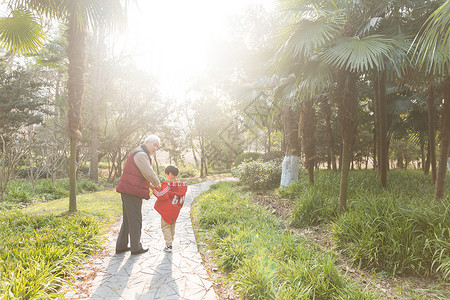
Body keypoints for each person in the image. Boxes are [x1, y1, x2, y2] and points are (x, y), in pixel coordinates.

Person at [115, 135, 161, 255]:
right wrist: (157, 184)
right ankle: (136, 247)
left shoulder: (138, 153)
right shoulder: (141, 154)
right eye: (154, 144)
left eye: (157, 146)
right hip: (131, 191)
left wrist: (150, 185)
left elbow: (140, 173)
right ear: (146, 142)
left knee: (127, 219)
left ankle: (121, 246)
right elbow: (148, 172)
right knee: (135, 219)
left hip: (128, 190)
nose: (155, 148)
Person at [152, 165, 188, 253]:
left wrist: (153, 189)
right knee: (172, 225)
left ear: (170, 174)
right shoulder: (182, 185)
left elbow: (161, 195)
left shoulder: (167, 184)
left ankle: (169, 245)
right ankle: (170, 241)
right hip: (176, 209)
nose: (166, 177)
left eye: (166, 175)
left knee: (165, 226)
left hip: (167, 210)